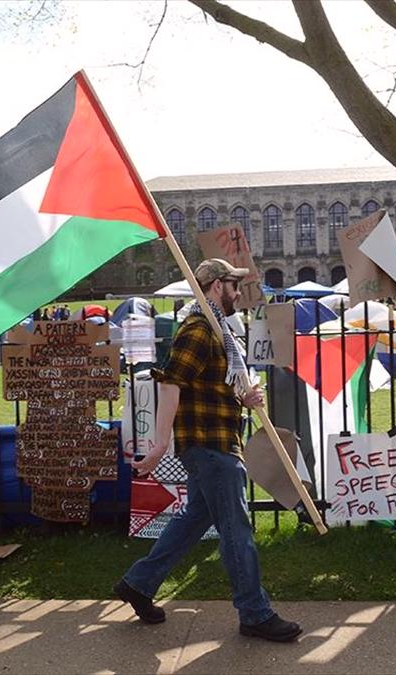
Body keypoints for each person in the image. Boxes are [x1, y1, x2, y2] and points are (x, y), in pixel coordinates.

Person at [114, 258, 302, 643]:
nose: (238, 293)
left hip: (216, 441)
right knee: (237, 530)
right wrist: (159, 445)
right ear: (217, 286)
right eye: (234, 285)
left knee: (194, 520)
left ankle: (138, 584)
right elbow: (170, 384)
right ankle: (254, 612)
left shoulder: (218, 329)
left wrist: (244, 397)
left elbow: (211, 385)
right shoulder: (199, 329)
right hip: (209, 446)